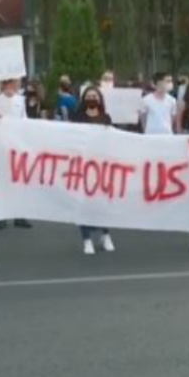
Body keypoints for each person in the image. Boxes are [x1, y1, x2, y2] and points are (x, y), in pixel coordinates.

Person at [73, 86, 116, 255]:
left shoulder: (106, 117)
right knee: (84, 203)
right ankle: (86, 239)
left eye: (94, 96)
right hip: (83, 163)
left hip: (102, 164)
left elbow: (111, 138)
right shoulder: (78, 117)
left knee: (102, 202)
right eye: (89, 96)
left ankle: (105, 234)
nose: (92, 98)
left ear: (99, 99)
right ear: (84, 99)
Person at [0, 79, 33, 230]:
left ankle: (19, 215)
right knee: (2, 181)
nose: (16, 85)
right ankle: (1, 216)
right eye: (14, 82)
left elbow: (24, 120)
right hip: (0, 145)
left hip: (17, 145)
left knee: (18, 180)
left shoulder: (20, 100)